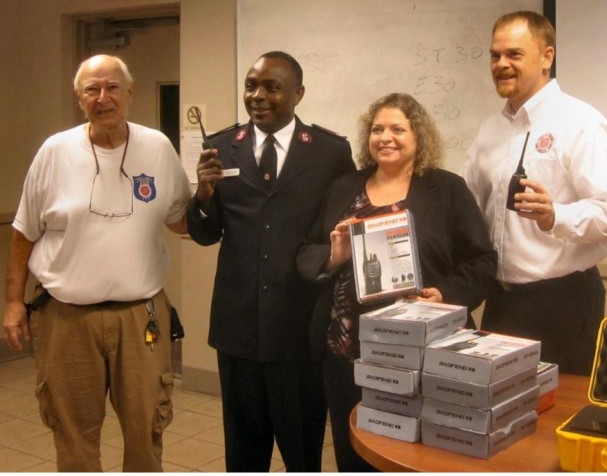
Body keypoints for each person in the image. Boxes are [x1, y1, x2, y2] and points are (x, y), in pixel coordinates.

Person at [2, 54, 192, 471]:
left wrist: (216, 200)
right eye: (92, 89)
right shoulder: (54, 152)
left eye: (112, 87)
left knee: (146, 432)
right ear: (79, 97)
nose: (103, 97)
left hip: (140, 317)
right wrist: (14, 303)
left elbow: (179, 219)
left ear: (130, 92)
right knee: (73, 438)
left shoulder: (158, 147)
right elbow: (23, 233)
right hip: (65, 318)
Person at [297, 92, 497, 472]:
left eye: (397, 129)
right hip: (347, 354)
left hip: (421, 355)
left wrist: (446, 295)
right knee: (354, 453)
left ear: (418, 136)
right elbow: (307, 251)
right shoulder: (343, 188)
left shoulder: (447, 189)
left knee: (415, 457)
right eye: (377, 130)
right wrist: (334, 255)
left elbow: (483, 259)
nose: (385, 137)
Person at [186, 51, 355, 472]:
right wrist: (203, 194)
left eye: (271, 87)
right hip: (237, 328)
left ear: (298, 94)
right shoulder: (221, 147)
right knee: (243, 455)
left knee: (303, 454)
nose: (257, 96)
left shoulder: (330, 152)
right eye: (251, 86)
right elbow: (205, 234)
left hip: (299, 329)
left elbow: (342, 225)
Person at [461, 11, 607, 376]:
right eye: (495, 55)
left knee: (559, 408)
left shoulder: (581, 123)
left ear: (547, 57)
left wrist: (555, 215)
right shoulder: (489, 131)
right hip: (501, 301)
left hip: (562, 304)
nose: (501, 64)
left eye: (514, 54)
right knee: (501, 406)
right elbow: (466, 208)